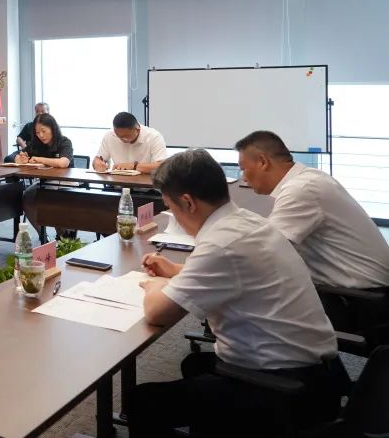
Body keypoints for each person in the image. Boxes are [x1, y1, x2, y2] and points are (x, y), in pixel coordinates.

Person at [132, 149, 345, 438]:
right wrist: (176, 270)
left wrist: (156, 285)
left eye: (171, 207)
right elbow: (234, 273)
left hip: (287, 389)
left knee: (143, 402)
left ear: (188, 202)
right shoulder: (248, 222)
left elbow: (157, 312)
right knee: (195, 365)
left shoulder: (220, 243)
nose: (176, 219)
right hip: (321, 374)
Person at [235, 130, 389, 290]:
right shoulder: (310, 178)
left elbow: (267, 250)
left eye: (243, 169)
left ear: (263, 162)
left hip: (358, 296)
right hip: (361, 285)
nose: (243, 178)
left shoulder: (302, 189)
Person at [93, 112, 166, 174]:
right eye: (118, 136)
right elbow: (98, 159)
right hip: (117, 183)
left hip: (145, 185)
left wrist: (134, 166)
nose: (122, 139)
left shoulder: (154, 137)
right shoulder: (110, 136)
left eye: (126, 136)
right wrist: (97, 164)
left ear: (137, 129)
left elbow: (162, 167)